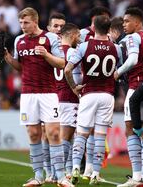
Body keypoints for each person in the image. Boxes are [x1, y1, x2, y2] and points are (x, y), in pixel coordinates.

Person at [3, 7, 73, 187]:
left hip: (48, 93)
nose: (22, 26)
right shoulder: (19, 40)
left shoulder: (50, 38)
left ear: (35, 21)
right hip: (27, 94)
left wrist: (46, 54)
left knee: (53, 133)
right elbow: (21, 67)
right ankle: (38, 176)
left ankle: (61, 177)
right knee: (33, 133)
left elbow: (62, 63)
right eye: (20, 23)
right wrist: (8, 58)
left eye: (25, 22)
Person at [65, 15, 119, 185]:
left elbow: (67, 70)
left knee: (81, 134)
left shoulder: (84, 46)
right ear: (109, 30)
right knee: (100, 136)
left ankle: (75, 167)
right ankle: (95, 173)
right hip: (107, 95)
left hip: (88, 94)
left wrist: (74, 87)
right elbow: (119, 71)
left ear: (93, 28)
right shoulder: (116, 48)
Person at [114, 7, 143, 187]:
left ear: (137, 22)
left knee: (131, 129)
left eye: (126, 21)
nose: (124, 25)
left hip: (135, 89)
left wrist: (117, 73)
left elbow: (132, 60)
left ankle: (136, 177)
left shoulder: (133, 38)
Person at [79, 6, 112, 178]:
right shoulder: (82, 34)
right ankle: (85, 167)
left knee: (90, 130)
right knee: (87, 130)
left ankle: (88, 168)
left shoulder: (110, 38)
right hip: (87, 87)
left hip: (95, 89)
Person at [55, 22, 81, 181]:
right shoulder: (72, 53)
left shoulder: (54, 52)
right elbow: (73, 73)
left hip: (56, 97)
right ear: (71, 35)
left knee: (64, 138)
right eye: (78, 35)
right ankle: (59, 174)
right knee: (66, 137)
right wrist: (76, 87)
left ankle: (66, 171)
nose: (79, 38)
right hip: (69, 99)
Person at [42, 12, 66, 183]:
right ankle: (49, 172)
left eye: (62, 27)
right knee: (45, 133)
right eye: (55, 26)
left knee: (64, 136)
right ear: (48, 29)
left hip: (67, 98)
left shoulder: (73, 47)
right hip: (50, 95)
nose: (58, 30)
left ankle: (68, 171)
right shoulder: (43, 47)